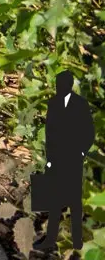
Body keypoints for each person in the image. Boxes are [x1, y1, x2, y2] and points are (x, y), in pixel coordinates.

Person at [32, 71, 94, 257]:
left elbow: (88, 131)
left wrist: (82, 152)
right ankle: (51, 238)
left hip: (74, 157)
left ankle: (76, 239)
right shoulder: (53, 103)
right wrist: (49, 159)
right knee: (55, 199)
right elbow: (50, 133)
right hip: (57, 158)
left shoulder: (80, 104)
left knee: (74, 199)